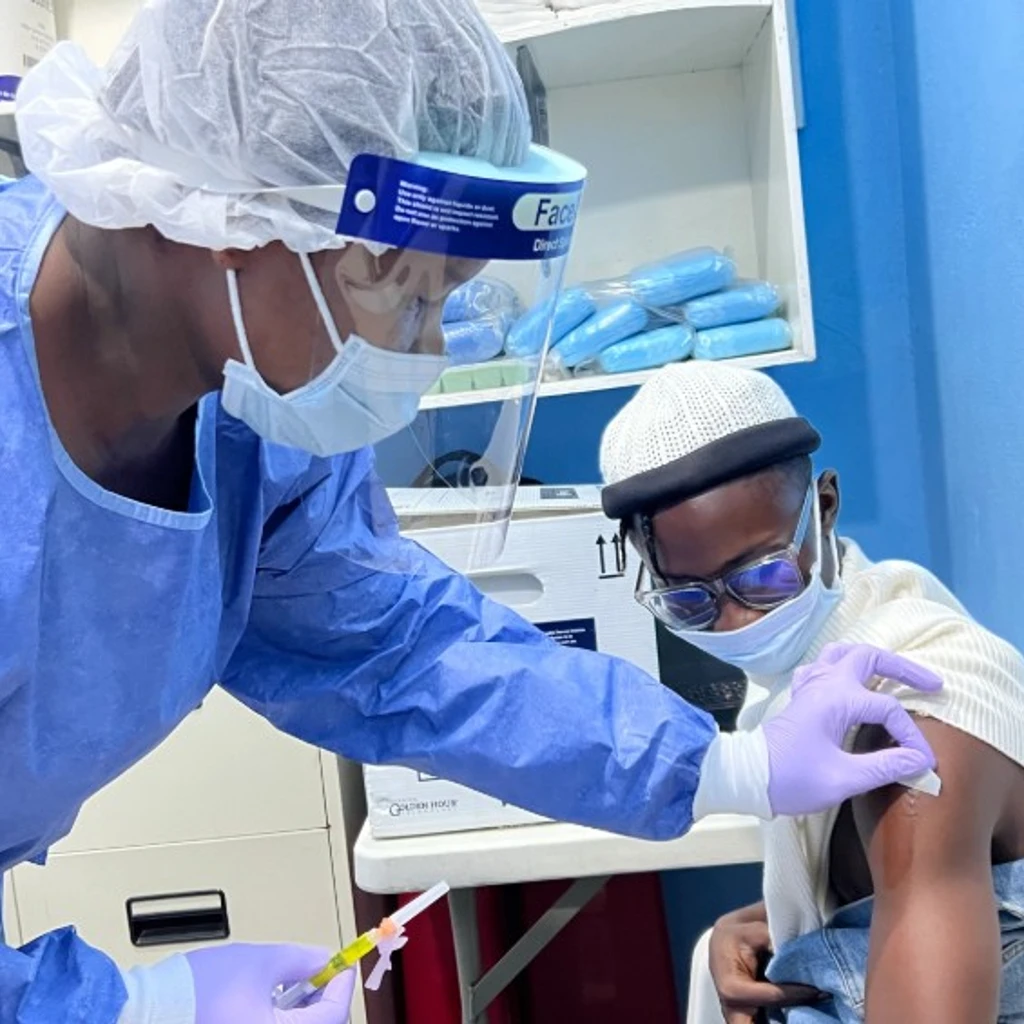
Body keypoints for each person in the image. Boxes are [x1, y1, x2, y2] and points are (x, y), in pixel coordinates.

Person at [0, 1, 943, 1021]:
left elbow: (405, 652)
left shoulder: (248, 430)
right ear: (241, 221)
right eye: (406, 292)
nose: (429, 348)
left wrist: (726, 764)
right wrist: (131, 1005)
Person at [598, 361, 1024, 1024]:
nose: (738, 621)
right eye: (689, 600)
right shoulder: (808, 676)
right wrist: (784, 929)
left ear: (823, 507)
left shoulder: (910, 728)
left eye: (763, 574)